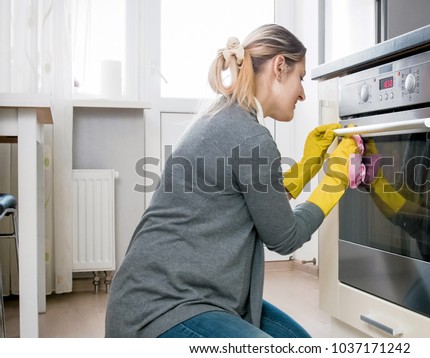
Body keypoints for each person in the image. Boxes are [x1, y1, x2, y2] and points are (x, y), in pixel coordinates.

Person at [104, 24, 358, 338]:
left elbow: (257, 204)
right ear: (280, 67)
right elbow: (285, 237)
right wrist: (336, 179)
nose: (303, 93)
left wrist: (307, 164)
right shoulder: (249, 135)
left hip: (188, 296)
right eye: (301, 78)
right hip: (160, 308)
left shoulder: (226, 117)